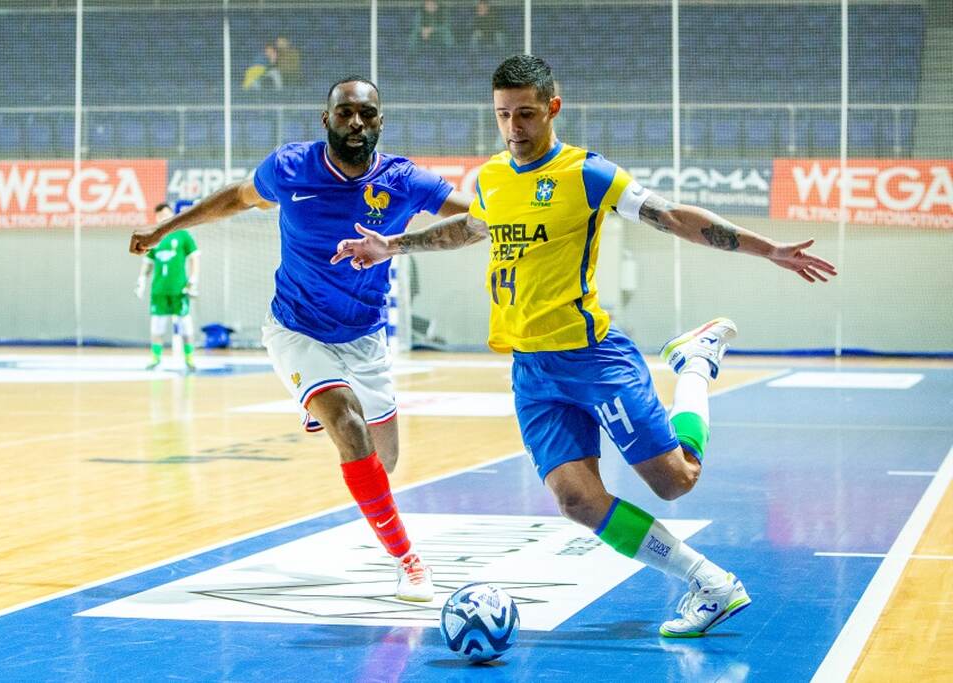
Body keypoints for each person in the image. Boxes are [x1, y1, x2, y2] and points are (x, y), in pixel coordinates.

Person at [332, 55, 838, 637]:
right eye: (503, 115)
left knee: (676, 481)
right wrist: (390, 245)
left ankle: (695, 364)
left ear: (553, 107)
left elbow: (672, 217)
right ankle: (710, 582)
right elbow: (469, 229)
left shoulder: (587, 173)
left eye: (525, 113)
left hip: (593, 357)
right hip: (530, 369)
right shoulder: (493, 178)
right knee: (575, 500)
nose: (514, 127)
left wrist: (766, 248)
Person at [130, 77, 472, 602]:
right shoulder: (291, 168)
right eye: (345, 113)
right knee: (348, 426)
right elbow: (236, 198)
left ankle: (330, 416)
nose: (356, 122)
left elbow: (475, 218)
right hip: (295, 328)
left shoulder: (403, 179)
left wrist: (405, 244)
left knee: (385, 462)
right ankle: (409, 560)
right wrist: (167, 228)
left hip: (365, 337)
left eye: (367, 113)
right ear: (326, 118)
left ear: (381, 120)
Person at [135, 202, 200, 372]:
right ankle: (155, 358)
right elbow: (148, 262)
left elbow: (194, 257)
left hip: (179, 290)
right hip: (159, 290)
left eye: (166, 214)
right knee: (157, 326)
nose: (163, 218)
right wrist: (141, 280)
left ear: (173, 215)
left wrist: (193, 279)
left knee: (186, 324)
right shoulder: (153, 238)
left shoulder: (183, 235)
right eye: (160, 215)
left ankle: (190, 358)